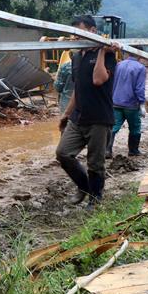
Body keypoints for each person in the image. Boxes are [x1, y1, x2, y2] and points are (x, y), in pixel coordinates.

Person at [55, 15, 121, 210]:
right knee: (63, 153)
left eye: (79, 31)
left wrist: (101, 51)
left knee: (95, 162)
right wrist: (66, 114)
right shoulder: (76, 57)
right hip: (78, 117)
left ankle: (95, 199)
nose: (75, 36)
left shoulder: (109, 54)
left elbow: (98, 80)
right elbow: (79, 89)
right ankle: (84, 187)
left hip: (99, 118)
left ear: (92, 31)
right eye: (73, 32)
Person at [106, 55, 146, 157]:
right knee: (135, 128)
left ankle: (107, 151)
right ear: (139, 55)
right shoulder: (140, 68)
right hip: (131, 104)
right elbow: (139, 88)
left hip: (116, 102)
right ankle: (133, 150)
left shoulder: (118, 65)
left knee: (113, 127)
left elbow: (111, 83)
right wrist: (142, 104)